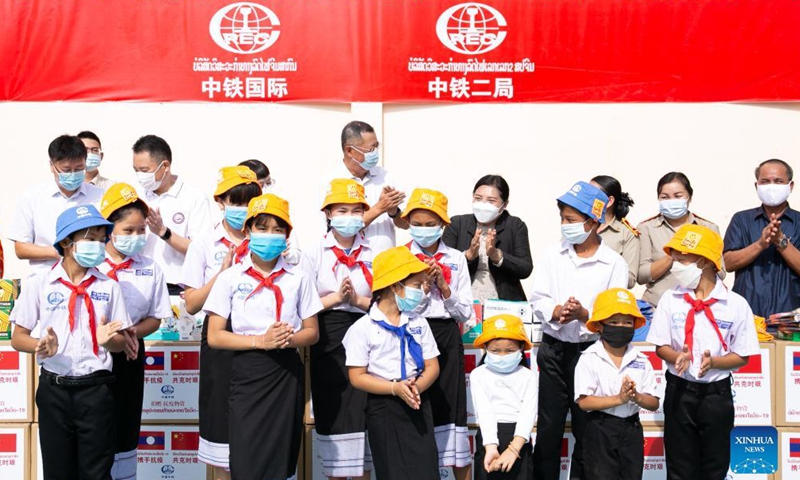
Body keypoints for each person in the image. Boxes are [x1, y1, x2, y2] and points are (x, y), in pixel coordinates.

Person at [10, 204, 131, 480]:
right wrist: (41, 345)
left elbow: (121, 343)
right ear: (66, 242)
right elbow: (19, 337)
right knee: (57, 471)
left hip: (96, 390)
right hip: (55, 390)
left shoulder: (108, 286)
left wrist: (109, 340)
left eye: (102, 241)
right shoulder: (40, 284)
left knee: (97, 472)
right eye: (90, 239)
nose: (98, 247)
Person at [205, 193, 321, 480]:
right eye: (262, 228)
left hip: (286, 371)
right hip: (247, 371)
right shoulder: (230, 278)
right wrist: (260, 341)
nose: (270, 235)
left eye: (278, 229)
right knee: (245, 456)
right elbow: (215, 336)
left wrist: (286, 340)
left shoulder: (298, 278)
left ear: (287, 235)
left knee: (280, 459)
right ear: (247, 231)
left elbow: (312, 332)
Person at [528, 181, 628, 480]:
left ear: (594, 221)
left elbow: (617, 315)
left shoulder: (613, 263)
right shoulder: (552, 255)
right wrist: (556, 312)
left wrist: (586, 316)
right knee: (548, 428)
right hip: (554, 349)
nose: (565, 226)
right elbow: (538, 298)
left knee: (589, 430)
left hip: (592, 354)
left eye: (571, 220)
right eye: (563, 219)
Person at [647, 224, 759, 480]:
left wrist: (715, 362)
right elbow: (660, 345)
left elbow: (743, 356)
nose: (675, 264)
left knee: (715, 467)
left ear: (704, 261)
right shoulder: (670, 299)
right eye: (674, 257)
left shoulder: (735, 304)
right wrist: (677, 357)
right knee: (679, 468)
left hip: (716, 396)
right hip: (679, 392)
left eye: (681, 259)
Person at [180, 166, 262, 479]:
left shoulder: (270, 239)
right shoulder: (204, 244)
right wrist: (222, 275)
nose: (242, 208)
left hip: (259, 338)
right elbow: (191, 303)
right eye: (235, 200)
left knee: (256, 424)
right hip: (219, 336)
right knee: (219, 424)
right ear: (221, 201)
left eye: (249, 200)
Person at [343, 246, 441, 480]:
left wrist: (415, 388)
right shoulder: (362, 328)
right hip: (383, 405)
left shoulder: (419, 323)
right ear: (395, 286)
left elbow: (433, 366)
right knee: (392, 470)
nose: (421, 291)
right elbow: (357, 376)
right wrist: (394, 388)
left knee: (426, 470)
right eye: (416, 286)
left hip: (417, 400)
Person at [98, 183, 172, 480]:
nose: (136, 237)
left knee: (126, 425)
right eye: (128, 230)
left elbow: (156, 317)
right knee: (97, 428)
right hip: (94, 357)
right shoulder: (91, 265)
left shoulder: (150, 267)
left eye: (141, 230)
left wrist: (132, 334)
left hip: (131, 354)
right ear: (108, 229)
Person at [402, 188, 473, 478]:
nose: (423, 229)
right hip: (411, 335)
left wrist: (444, 287)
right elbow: (395, 307)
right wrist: (421, 289)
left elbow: (465, 312)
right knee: (415, 406)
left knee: (450, 410)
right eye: (417, 223)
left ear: (443, 225)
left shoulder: (456, 258)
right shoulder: (399, 257)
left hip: (445, 333)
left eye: (430, 224)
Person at [307, 178, 374, 480]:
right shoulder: (314, 251)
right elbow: (303, 304)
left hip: (367, 330)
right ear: (329, 214)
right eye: (342, 210)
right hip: (329, 333)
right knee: (332, 407)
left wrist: (358, 300)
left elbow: (386, 303)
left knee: (364, 410)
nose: (349, 217)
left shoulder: (375, 250)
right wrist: (336, 298)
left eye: (355, 210)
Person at [574, 288, 659, 480]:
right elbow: (584, 402)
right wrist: (618, 399)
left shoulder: (642, 359)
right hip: (600, 428)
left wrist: (636, 397)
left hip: (632, 429)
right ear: (599, 325)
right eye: (613, 322)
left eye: (627, 322)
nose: (621, 326)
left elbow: (654, 402)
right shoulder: (589, 358)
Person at [7, 134, 104, 275]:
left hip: (90, 279)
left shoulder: (100, 196)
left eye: (79, 169)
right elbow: (21, 248)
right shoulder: (32, 198)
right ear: (52, 166)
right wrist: (59, 251)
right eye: (66, 170)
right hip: (45, 278)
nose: (73, 174)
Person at [132, 134, 212, 294]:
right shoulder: (136, 197)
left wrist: (164, 232)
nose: (140, 175)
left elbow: (201, 250)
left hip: (175, 287)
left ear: (165, 166)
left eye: (145, 170)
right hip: (140, 284)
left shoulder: (194, 198)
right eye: (136, 170)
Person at [724, 158, 800, 318]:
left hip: (790, 318)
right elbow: (727, 263)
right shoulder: (741, 220)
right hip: (746, 315)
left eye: (779, 181)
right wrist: (759, 244)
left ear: (790, 186)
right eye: (765, 181)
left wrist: (781, 241)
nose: (772, 186)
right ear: (756, 186)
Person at [637, 172, 722, 307]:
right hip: (657, 306)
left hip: (699, 305)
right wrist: (673, 254)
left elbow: (720, 272)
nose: (671, 201)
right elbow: (641, 275)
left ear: (689, 197)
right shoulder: (646, 228)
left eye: (677, 196)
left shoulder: (707, 227)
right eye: (665, 197)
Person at [443, 175, 532, 302]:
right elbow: (443, 267)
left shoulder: (515, 226)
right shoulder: (457, 224)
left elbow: (525, 268)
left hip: (504, 306)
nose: (483, 204)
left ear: (504, 204)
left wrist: (497, 256)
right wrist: (467, 256)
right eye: (478, 198)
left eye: (491, 201)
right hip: (463, 304)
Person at [470, 314, 537, 480]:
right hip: (488, 438)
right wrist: (491, 447)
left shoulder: (528, 376)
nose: (502, 355)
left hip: (519, 440)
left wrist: (514, 449)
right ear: (485, 347)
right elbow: (485, 412)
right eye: (495, 350)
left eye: (510, 351)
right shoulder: (478, 374)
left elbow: (528, 414)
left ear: (521, 348)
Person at [329, 121, 408, 255]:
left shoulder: (385, 176)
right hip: (350, 264)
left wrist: (393, 212)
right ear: (349, 151)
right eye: (371, 149)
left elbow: (405, 225)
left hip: (385, 263)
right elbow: (342, 231)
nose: (375, 153)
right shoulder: (332, 181)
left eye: (377, 147)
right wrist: (380, 208)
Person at [591, 175, 640, 288]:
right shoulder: (581, 225)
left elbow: (630, 280)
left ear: (609, 201)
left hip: (608, 299)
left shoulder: (626, 234)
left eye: (592, 194)